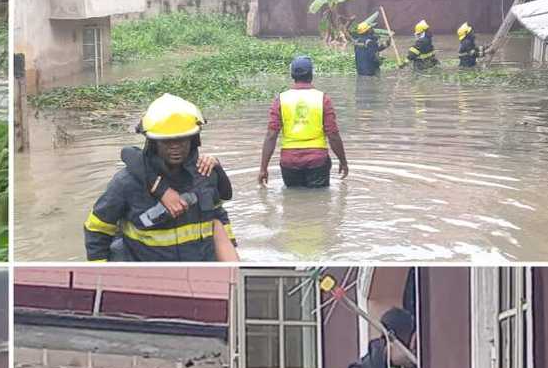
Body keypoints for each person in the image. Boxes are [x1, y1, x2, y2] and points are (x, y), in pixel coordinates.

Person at [84, 93, 237, 262]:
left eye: (182, 139)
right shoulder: (127, 183)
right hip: (149, 275)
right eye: (166, 141)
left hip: (200, 273)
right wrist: (100, 271)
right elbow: (97, 230)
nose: (175, 147)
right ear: (153, 143)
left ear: (194, 140)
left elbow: (219, 217)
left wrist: (232, 265)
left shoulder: (205, 174)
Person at [258, 56, 349, 189]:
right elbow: (333, 134)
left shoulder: (281, 99)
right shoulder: (323, 99)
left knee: (291, 199)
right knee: (319, 199)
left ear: (292, 75)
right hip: (317, 160)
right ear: (311, 74)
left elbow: (271, 135)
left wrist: (263, 168)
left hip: (289, 161)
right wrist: (343, 161)